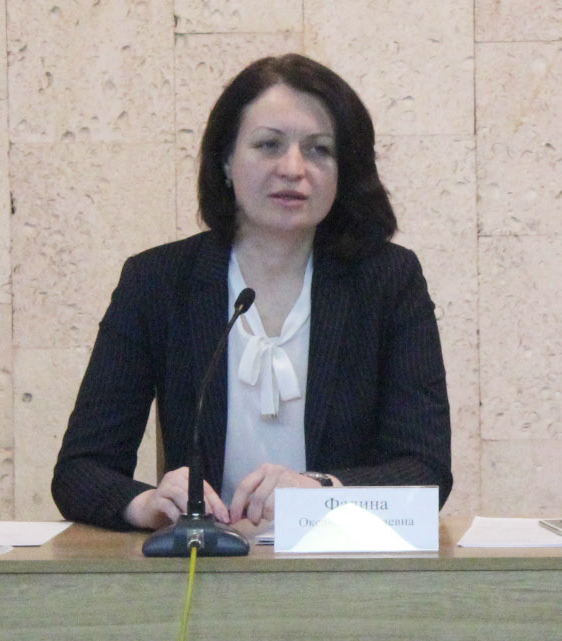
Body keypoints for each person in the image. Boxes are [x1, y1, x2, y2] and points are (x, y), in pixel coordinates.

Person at [52, 54, 453, 533]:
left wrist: (320, 490)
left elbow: (426, 472)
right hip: (206, 564)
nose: (293, 168)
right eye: (268, 145)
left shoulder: (388, 281)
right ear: (225, 160)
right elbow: (80, 470)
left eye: (319, 150)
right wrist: (149, 504)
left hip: (340, 561)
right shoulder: (158, 281)